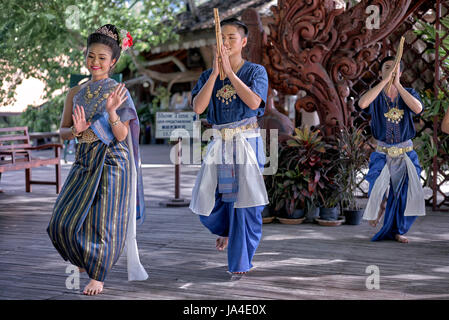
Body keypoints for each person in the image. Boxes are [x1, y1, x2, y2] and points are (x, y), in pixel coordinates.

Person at [47, 24, 148, 296]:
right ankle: (83, 259)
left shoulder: (118, 92)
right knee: (60, 221)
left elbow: (122, 133)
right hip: (84, 158)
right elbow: (63, 132)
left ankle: (99, 275)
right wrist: (76, 132)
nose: (95, 62)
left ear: (113, 61)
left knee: (103, 221)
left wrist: (112, 112)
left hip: (112, 160)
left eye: (102, 58)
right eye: (91, 56)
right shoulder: (75, 93)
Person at [189, 18, 269, 275]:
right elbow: (198, 108)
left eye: (231, 37)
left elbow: (255, 102)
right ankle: (226, 230)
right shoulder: (207, 76)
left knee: (246, 203)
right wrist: (215, 73)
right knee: (216, 198)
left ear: (243, 42)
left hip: (247, 142)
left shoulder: (256, 72)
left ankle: (240, 263)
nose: (224, 42)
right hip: (220, 143)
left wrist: (230, 72)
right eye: (220, 37)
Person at [358, 56, 426, 243]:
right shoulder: (376, 95)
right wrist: (385, 82)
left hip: (405, 154)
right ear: (380, 72)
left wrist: (398, 85)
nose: (391, 70)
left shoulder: (409, 92)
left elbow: (418, 109)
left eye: (395, 68)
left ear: (401, 72)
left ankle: (398, 231)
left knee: (403, 195)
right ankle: (379, 205)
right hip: (382, 152)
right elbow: (362, 104)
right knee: (375, 185)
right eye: (387, 67)